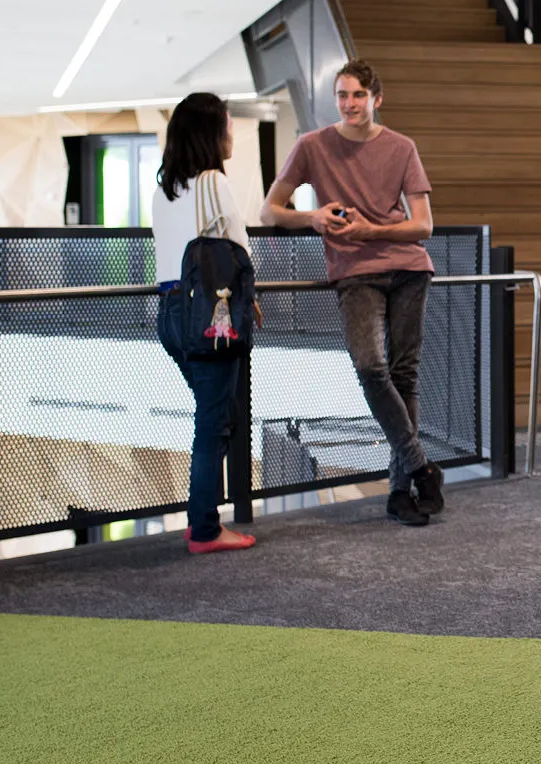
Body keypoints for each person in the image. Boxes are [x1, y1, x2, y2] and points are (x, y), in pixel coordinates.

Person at [261, 59, 444, 527]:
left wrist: (370, 228)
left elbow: (423, 225)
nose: (349, 104)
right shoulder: (312, 146)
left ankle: (401, 491)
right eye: (342, 95)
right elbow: (270, 211)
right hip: (354, 273)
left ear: (376, 99)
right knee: (369, 365)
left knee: (404, 376)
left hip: (408, 269)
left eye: (358, 95)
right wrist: (315, 218)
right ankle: (423, 467)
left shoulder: (402, 148)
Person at [152, 92, 257, 554]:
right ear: (210, 134)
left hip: (172, 313)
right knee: (212, 423)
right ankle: (205, 529)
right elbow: (236, 248)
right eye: (227, 125)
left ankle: (201, 517)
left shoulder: (164, 189)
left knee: (210, 417)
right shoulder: (214, 181)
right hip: (209, 315)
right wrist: (248, 301)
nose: (231, 133)